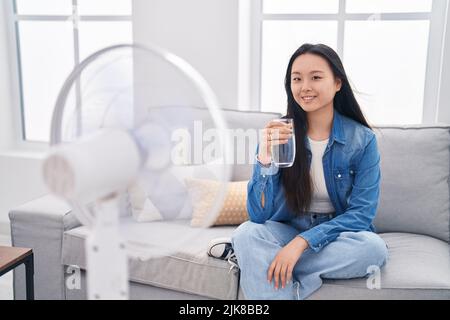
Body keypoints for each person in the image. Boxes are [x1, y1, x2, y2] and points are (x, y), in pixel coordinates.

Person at [231, 43, 388, 300]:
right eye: (297, 79)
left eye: (316, 77)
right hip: (288, 226)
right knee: (246, 233)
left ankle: (271, 267)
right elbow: (258, 215)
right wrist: (264, 159)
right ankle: (279, 276)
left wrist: (300, 243)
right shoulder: (278, 134)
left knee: (373, 249)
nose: (304, 87)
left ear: (338, 83)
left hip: (337, 233)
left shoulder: (363, 139)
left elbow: (362, 214)